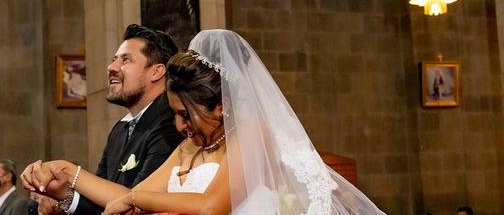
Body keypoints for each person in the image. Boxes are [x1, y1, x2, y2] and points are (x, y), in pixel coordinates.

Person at [26, 29, 386, 214]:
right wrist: (69, 171)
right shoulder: (189, 148)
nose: (180, 125)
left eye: (185, 114)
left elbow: (213, 206)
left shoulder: (251, 133)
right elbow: (128, 196)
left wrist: (136, 197)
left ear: (221, 107)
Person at [22, 24, 183, 214]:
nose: (111, 67)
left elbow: (138, 203)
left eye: (126, 60)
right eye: (114, 59)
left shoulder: (172, 124)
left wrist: (69, 171)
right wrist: (64, 197)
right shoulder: (119, 130)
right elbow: (104, 204)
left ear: (156, 72)